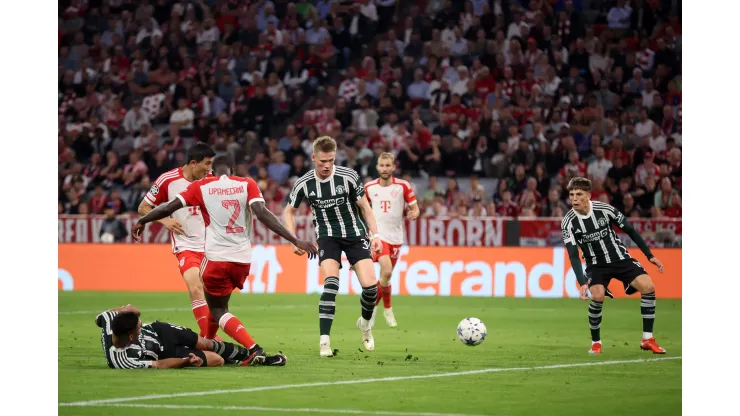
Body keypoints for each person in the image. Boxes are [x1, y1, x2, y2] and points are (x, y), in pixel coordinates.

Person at [132, 155, 317, 364]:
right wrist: (294, 239)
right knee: (216, 305)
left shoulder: (201, 186)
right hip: (242, 260)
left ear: (214, 169)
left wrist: (143, 220)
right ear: (232, 169)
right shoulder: (247, 184)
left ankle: (254, 349)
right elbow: (262, 214)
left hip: (216, 258)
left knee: (218, 310)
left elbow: (168, 208)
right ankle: (208, 341)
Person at [283, 136, 384, 357]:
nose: (326, 165)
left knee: (371, 288)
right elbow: (288, 211)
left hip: (355, 235)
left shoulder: (348, 177)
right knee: (331, 283)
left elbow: (365, 208)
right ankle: (324, 342)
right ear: (313, 158)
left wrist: (375, 234)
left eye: (330, 160)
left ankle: (365, 325)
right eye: (322, 161)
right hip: (327, 237)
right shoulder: (304, 182)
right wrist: (293, 239)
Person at [560, 177, 666, 355]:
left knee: (648, 287)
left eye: (579, 194)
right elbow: (573, 255)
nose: (574, 199)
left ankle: (647, 339)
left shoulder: (605, 210)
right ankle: (596, 343)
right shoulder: (568, 222)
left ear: (588, 195)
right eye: (571, 195)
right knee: (598, 296)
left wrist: (650, 255)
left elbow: (630, 230)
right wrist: (582, 282)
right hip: (596, 265)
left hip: (620, 259)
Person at [137, 143, 218, 340]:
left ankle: (208, 337)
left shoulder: (212, 179)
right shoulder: (168, 180)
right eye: (206, 164)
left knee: (213, 295)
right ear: (193, 163)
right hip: (186, 245)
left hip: (213, 245)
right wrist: (164, 219)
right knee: (195, 287)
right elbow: (143, 207)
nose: (209, 169)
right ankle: (209, 339)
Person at [96, 304, 287, 369]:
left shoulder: (109, 319)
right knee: (217, 360)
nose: (140, 327)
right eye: (139, 329)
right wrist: (186, 361)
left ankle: (254, 356)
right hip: (164, 353)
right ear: (130, 338)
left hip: (161, 331)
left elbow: (101, 317)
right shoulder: (123, 360)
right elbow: (160, 364)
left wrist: (125, 310)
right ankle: (239, 360)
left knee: (205, 343)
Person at [364, 152, 420, 328]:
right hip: (378, 236)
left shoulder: (403, 186)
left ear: (393, 167)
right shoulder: (369, 187)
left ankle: (383, 309)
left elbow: (415, 209)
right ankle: (377, 311)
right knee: (386, 271)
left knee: (385, 278)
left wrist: (414, 213)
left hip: (396, 237)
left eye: (388, 165)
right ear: (377, 167)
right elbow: (362, 211)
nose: (385, 168)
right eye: (382, 165)